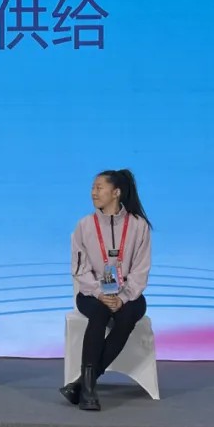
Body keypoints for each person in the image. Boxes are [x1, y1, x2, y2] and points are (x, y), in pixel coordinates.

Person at [60, 169, 151, 411]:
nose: (93, 192)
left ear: (116, 192)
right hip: (92, 294)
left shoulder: (139, 226)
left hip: (128, 295)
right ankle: (89, 392)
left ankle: (82, 384)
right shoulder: (84, 225)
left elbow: (141, 269)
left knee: (127, 317)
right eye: (93, 188)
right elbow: (79, 268)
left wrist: (122, 297)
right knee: (99, 313)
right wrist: (99, 293)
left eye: (99, 188)